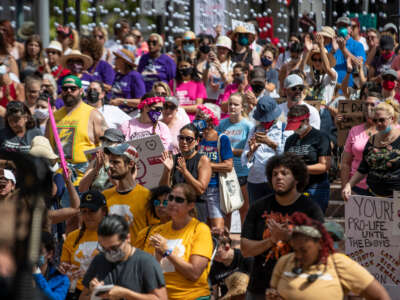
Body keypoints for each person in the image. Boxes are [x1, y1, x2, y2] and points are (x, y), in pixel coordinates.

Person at [240, 153, 324, 299]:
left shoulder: (310, 209)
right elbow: (245, 249)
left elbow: (320, 250)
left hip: (297, 288)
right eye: (274, 174)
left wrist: (289, 238)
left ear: (297, 178)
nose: (278, 177)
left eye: (285, 173)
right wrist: (272, 240)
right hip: (260, 288)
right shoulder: (258, 207)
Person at [267, 212, 390, 300]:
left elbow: (380, 296)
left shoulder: (338, 263)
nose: (298, 255)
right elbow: (274, 292)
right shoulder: (284, 262)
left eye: (304, 251)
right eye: (295, 250)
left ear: (319, 244)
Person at [143, 183, 213, 300]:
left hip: (191, 296)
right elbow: (147, 272)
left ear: (190, 205)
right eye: (170, 198)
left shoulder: (200, 230)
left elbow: (194, 274)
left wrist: (167, 252)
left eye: (179, 200)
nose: (172, 203)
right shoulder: (158, 230)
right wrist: (157, 257)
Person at [80, 215, 168, 300]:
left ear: (127, 238)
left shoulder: (146, 262)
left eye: (114, 248)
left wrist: (126, 294)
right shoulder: (99, 259)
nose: (110, 253)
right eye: (104, 248)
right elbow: (83, 297)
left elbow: (161, 298)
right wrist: (94, 293)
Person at [46, 75, 107, 186]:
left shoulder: (93, 115)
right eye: (65, 89)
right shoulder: (53, 118)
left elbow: (107, 145)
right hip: (59, 179)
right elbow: (47, 148)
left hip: (85, 179)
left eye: (73, 88)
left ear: (81, 91)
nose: (68, 91)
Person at [343, 99, 400, 199]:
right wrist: (349, 185)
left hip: (396, 199)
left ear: (391, 118)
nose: (378, 123)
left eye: (382, 120)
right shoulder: (371, 141)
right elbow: (363, 168)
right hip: (372, 197)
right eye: (375, 120)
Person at [102, 143, 159, 243]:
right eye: (110, 161)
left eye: (116, 162)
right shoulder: (104, 196)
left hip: (138, 256)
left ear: (131, 164)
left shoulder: (147, 196)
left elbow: (155, 231)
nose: (110, 166)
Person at [60, 190, 107, 299]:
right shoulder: (72, 237)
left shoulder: (113, 236)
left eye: (92, 211)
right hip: (74, 292)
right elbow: (64, 266)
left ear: (104, 211)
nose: (87, 215)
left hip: (102, 293)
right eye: (84, 211)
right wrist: (64, 270)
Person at [159, 123, 211, 222]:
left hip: (195, 209)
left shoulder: (202, 160)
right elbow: (164, 190)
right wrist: (167, 170)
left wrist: (185, 172)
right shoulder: (173, 159)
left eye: (188, 139)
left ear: (197, 141)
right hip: (176, 208)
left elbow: (200, 190)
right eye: (181, 138)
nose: (184, 142)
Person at [284, 105, 331, 213]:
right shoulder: (290, 140)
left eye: (298, 127)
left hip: (316, 187)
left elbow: (324, 165)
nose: (296, 130)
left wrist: (301, 168)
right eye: (293, 127)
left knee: (313, 224)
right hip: (294, 188)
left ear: (307, 121)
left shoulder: (321, 137)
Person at [242, 96, 286, 205]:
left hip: (275, 180)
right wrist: (251, 151)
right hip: (255, 180)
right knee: (257, 215)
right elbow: (244, 158)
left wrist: (270, 143)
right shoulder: (254, 129)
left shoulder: (284, 129)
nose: (265, 122)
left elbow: (287, 156)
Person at [218, 93, 253, 225]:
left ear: (242, 107)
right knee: (228, 208)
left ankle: (243, 240)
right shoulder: (221, 125)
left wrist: (231, 151)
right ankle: (226, 241)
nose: (232, 107)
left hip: (242, 171)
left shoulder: (248, 126)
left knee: (244, 208)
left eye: (236, 104)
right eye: (230, 104)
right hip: (226, 171)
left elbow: (250, 152)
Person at [197, 104, 233, 229]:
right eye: (196, 117)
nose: (196, 120)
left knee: (217, 229)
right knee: (202, 228)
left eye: (200, 117)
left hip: (215, 189)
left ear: (211, 120)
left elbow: (228, 165)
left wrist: (206, 165)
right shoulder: (196, 138)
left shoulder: (221, 138)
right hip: (198, 189)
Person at [341, 94, 379, 196]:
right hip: (357, 187)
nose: (368, 108)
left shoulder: (393, 130)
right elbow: (345, 163)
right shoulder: (354, 130)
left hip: (383, 188)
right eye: (366, 105)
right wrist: (345, 186)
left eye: (372, 104)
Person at [209, 227, 252, 300]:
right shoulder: (213, 266)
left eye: (216, 253)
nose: (213, 257)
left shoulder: (245, 257)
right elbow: (214, 294)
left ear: (227, 247)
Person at [330, 16, 366, 87]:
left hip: (350, 89)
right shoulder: (331, 44)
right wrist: (333, 51)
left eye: (345, 26)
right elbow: (324, 65)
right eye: (339, 26)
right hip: (332, 88)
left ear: (350, 30)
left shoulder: (358, 45)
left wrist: (343, 49)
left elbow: (359, 64)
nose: (342, 28)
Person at [109, 48, 146, 116]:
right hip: (114, 112)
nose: (115, 60)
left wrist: (122, 101)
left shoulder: (135, 76)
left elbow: (141, 101)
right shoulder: (117, 75)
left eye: (117, 58)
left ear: (123, 61)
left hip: (129, 115)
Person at [170, 55, 207, 121]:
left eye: (186, 66)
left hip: (192, 120)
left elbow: (198, 107)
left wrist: (179, 107)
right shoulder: (173, 83)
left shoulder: (198, 84)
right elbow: (170, 103)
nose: (183, 68)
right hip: (176, 119)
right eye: (181, 66)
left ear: (191, 66)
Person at [33, 231, 69, 300]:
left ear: (50, 254)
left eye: (39, 251)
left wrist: (37, 275)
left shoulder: (62, 279)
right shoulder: (21, 272)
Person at [134, 185, 172, 250]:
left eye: (165, 202)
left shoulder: (185, 230)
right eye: (157, 202)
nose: (160, 205)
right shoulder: (144, 233)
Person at [203, 35, 234, 102]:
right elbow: (204, 81)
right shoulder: (209, 63)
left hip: (223, 100)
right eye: (220, 48)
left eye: (224, 48)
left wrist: (220, 69)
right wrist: (207, 65)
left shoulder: (232, 65)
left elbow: (228, 82)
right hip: (209, 99)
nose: (222, 50)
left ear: (228, 50)